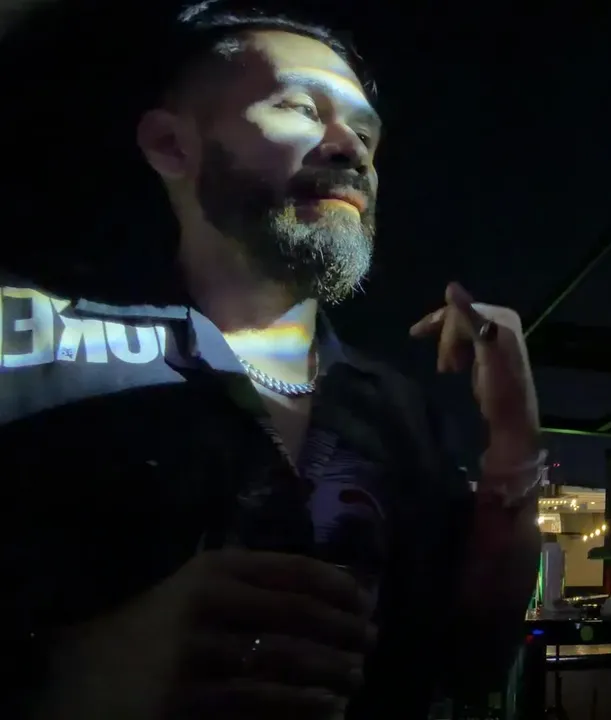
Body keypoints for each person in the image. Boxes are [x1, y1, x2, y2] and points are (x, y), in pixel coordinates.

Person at [0, 2, 542, 718]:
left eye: (367, 134)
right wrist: (74, 673)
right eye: (300, 108)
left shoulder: (393, 410)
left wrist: (514, 443)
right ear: (171, 145)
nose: (350, 148)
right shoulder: (30, 345)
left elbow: (473, 658)